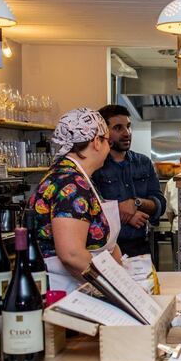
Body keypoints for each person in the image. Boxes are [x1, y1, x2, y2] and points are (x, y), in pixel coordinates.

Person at [29, 108, 122, 292]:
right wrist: (114, 288)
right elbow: (71, 254)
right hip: (65, 292)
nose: (109, 147)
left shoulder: (78, 177)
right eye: (107, 141)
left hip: (79, 287)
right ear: (96, 142)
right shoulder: (70, 183)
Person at [91, 105, 166, 258]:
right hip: (105, 250)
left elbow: (160, 204)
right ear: (103, 132)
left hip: (140, 247)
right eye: (118, 128)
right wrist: (120, 211)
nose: (127, 133)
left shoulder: (143, 162)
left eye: (129, 127)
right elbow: (88, 209)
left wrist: (135, 203)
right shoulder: (96, 165)